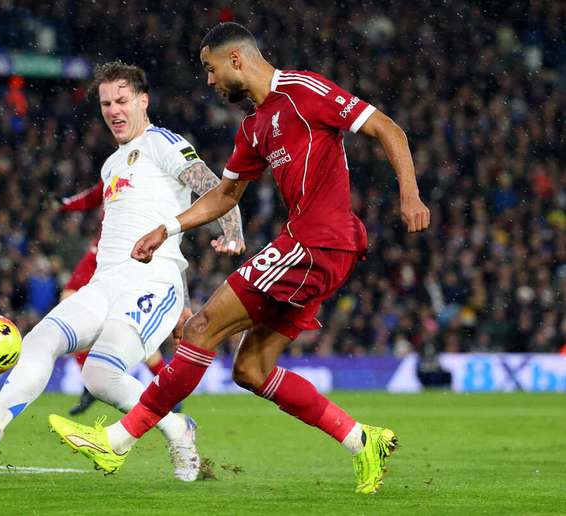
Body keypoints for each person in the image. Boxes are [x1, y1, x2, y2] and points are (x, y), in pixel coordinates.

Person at [48, 22, 430, 494]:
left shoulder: (302, 90)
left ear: (235, 60)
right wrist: (167, 228)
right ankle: (361, 440)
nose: (208, 82)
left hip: (317, 241)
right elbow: (225, 194)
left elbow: (386, 127)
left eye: (210, 69)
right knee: (251, 369)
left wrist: (409, 196)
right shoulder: (253, 127)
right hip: (317, 248)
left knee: (201, 328)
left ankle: (117, 440)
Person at [0, 60, 245, 482]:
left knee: (100, 372)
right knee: (42, 338)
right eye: (105, 102)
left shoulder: (162, 142)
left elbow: (216, 188)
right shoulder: (111, 165)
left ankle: (176, 427)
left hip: (152, 281)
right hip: (105, 282)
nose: (113, 109)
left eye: (122, 100)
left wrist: (232, 230)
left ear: (143, 101)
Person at [55, 183, 189, 416]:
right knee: (70, 302)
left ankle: (167, 386)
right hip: (103, 250)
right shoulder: (117, 169)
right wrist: (66, 204)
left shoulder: (148, 179)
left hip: (128, 251)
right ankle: (91, 383)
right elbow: (92, 196)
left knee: (129, 323)